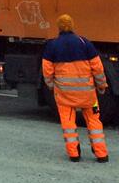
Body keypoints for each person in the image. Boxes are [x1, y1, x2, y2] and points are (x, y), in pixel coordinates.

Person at [42, 14, 109, 163]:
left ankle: (74, 154)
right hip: (88, 95)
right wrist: (102, 85)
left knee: (68, 123)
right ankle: (101, 154)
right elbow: (97, 68)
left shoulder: (52, 45)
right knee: (94, 122)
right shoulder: (84, 42)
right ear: (72, 26)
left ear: (59, 27)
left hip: (64, 94)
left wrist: (52, 86)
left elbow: (47, 71)